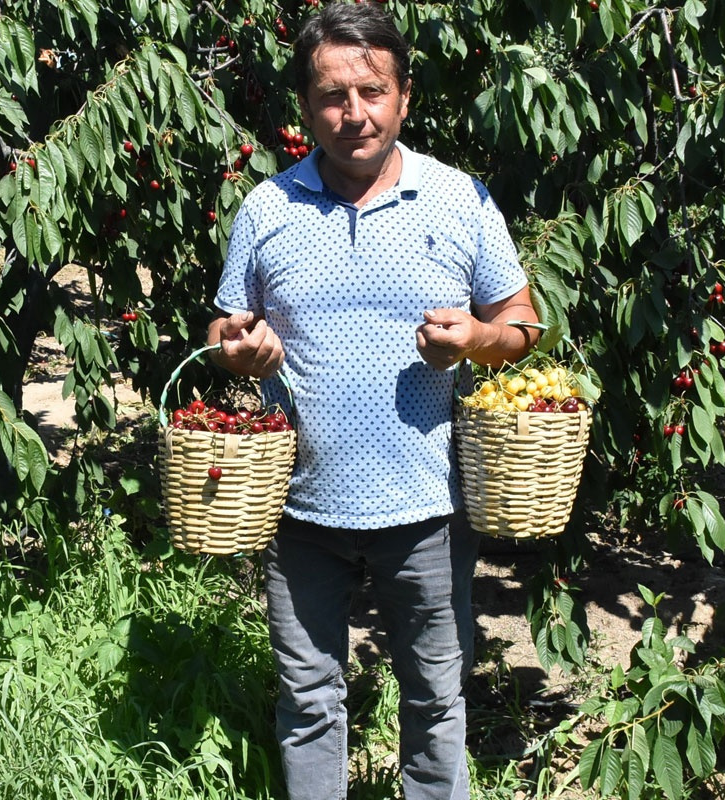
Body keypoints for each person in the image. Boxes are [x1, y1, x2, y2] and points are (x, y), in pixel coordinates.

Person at [206, 3, 539, 798]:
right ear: (306, 107)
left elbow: (523, 323)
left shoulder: (461, 200)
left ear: (404, 97)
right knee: (310, 699)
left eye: (371, 91)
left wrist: (475, 343)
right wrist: (239, 350)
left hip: (425, 505)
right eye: (331, 95)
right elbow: (223, 328)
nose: (353, 113)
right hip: (300, 510)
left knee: (435, 696)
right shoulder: (267, 209)